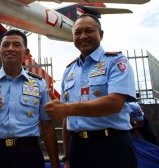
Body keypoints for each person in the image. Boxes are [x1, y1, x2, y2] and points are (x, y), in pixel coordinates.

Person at [44, 14, 138, 168]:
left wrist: (67, 109)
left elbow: (114, 103)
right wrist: (67, 158)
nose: (83, 36)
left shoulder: (116, 62)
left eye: (88, 31)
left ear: (100, 34)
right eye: (77, 33)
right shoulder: (69, 71)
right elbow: (67, 119)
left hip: (112, 146)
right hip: (78, 148)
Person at [0, 29, 59, 168]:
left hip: (29, 154)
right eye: (6, 45)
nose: (10, 49)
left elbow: (47, 126)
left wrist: (55, 163)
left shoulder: (39, 83)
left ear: (26, 53)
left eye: (16, 45)